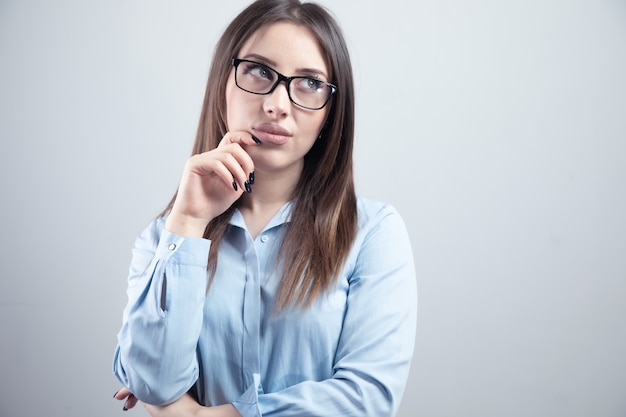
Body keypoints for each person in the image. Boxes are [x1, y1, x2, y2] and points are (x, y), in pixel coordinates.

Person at [112, 0, 417, 416]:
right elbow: (150, 382)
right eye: (259, 71)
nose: (277, 104)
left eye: (309, 82)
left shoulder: (373, 233)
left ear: (331, 111)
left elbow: (366, 399)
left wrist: (202, 414)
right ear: (224, 82)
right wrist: (189, 220)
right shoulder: (165, 238)